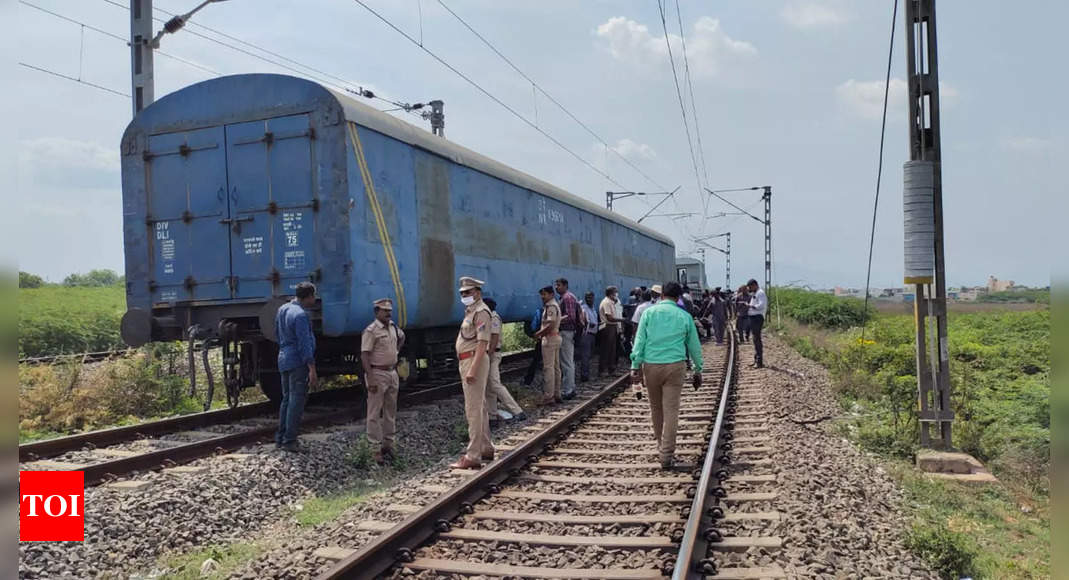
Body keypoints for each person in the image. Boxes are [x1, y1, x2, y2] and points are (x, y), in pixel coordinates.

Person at [630, 281, 703, 469]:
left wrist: (635, 365)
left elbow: (639, 342)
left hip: (651, 366)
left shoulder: (648, 313)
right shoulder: (684, 316)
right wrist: (698, 369)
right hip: (675, 366)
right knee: (671, 410)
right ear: (678, 297)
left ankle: (660, 445)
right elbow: (694, 346)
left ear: (661, 295)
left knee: (656, 408)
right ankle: (666, 454)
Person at [450, 276, 494, 469]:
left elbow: (483, 343)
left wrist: (473, 369)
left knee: (473, 409)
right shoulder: (471, 311)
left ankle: (473, 455)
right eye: (462, 293)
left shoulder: (481, 312)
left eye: (467, 292)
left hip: (472, 360)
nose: (464, 296)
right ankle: (485, 447)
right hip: (467, 360)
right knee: (480, 406)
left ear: (477, 292)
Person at [275, 281, 319, 452]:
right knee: (296, 400)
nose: (314, 299)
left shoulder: (283, 309)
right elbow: (304, 344)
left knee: (286, 399)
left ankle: (280, 438)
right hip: (297, 361)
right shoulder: (301, 315)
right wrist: (312, 368)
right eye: (313, 296)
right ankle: (290, 440)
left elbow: (278, 334)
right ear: (308, 296)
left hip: (283, 357)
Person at [361, 298, 405, 465]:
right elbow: (365, 354)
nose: (388, 313)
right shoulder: (371, 331)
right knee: (374, 412)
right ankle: (374, 449)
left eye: (389, 311)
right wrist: (370, 376)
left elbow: (402, 337)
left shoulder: (393, 328)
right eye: (384, 310)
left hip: (392, 372)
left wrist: (395, 353)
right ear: (376, 312)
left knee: (390, 411)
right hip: (377, 373)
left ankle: (388, 445)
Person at [483, 298, 527, 423]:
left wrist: (488, 355)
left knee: (495, 384)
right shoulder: (489, 317)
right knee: (489, 387)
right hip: (489, 354)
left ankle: (517, 411)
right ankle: (492, 416)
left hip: (493, 355)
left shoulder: (494, 318)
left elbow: (495, 338)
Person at [534, 286, 563, 405]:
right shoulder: (555, 305)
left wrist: (539, 334)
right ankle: (557, 393)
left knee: (548, 368)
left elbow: (550, 324)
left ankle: (548, 396)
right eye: (541, 294)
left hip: (550, 338)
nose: (542, 297)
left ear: (551, 294)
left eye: (544, 294)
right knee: (556, 367)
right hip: (555, 337)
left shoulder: (551, 306)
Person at [554, 278, 581, 400]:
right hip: (566, 332)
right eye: (556, 285)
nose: (556, 287)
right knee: (567, 361)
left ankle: (568, 390)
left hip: (566, 332)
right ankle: (570, 387)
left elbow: (570, 316)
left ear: (565, 285)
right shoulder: (565, 297)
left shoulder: (567, 298)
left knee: (566, 361)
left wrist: (556, 320)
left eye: (558, 285)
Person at [598, 286, 621, 377]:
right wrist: (622, 320)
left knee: (612, 350)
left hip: (612, 327)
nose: (616, 294)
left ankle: (611, 369)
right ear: (611, 293)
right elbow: (609, 318)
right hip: (607, 327)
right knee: (606, 350)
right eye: (615, 292)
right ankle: (602, 370)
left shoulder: (611, 302)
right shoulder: (606, 302)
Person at [746, 279, 768, 368]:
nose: (749, 289)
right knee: (755, 339)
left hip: (757, 318)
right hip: (753, 318)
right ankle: (756, 360)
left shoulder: (760, 293)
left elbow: (761, 305)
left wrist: (750, 306)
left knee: (757, 339)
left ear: (754, 285)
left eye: (750, 287)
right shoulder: (755, 293)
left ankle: (759, 362)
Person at [578, 291, 599, 382]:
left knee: (589, 355)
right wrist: (590, 324)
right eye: (587, 297)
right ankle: (584, 376)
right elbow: (583, 321)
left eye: (590, 297)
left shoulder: (593, 309)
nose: (589, 299)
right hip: (586, 334)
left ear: (594, 298)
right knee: (585, 356)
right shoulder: (583, 308)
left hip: (593, 335)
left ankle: (586, 374)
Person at [522, 303, 543, 386]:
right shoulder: (548, 309)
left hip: (541, 339)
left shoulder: (539, 311)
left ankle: (528, 380)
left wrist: (536, 335)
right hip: (548, 338)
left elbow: (532, 327)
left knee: (536, 360)